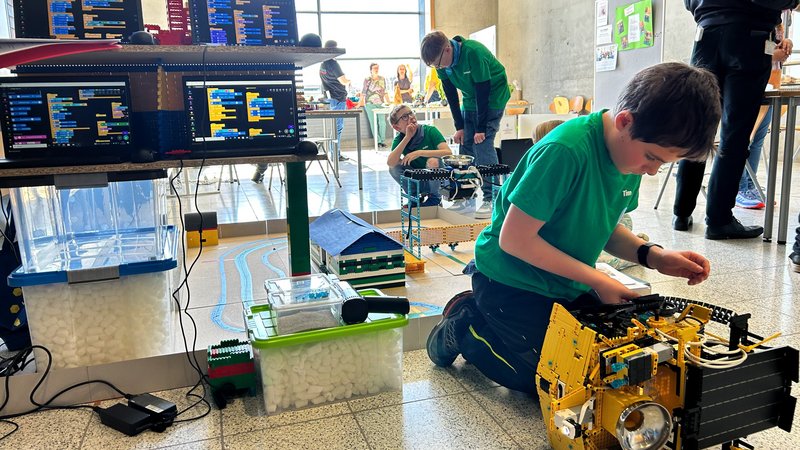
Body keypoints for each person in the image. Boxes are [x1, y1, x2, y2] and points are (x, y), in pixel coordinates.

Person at [425, 62, 721, 394]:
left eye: (663, 164)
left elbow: (604, 228)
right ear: (625, 122)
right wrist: (599, 279)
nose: (651, 171)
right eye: (652, 158)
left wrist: (652, 256)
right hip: (508, 279)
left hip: (563, 281)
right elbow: (514, 239)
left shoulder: (628, 159)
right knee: (542, 380)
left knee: (605, 359)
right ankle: (466, 323)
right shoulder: (565, 151)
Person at [672, 0, 798, 239]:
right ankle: (719, 220)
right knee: (735, 134)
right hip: (748, 39)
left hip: (705, 37)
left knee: (698, 130)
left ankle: (681, 213)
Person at [420, 31, 510, 219]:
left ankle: (492, 198)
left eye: (437, 63)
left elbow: (483, 91)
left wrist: (481, 128)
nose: (438, 67)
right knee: (465, 148)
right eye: (434, 66)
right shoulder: (441, 63)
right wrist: (459, 126)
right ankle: (465, 197)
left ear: (447, 49)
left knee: (482, 144)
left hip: (492, 98)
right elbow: (450, 94)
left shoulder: (473, 53)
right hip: (470, 99)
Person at [736, 30, 793, 209]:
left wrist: (786, 43)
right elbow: (743, 50)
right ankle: (740, 188)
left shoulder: (779, 19)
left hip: (771, 85)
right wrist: (771, 54)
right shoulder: (756, 14)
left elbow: (774, 43)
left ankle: (750, 185)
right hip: (750, 83)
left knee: (758, 140)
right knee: (744, 139)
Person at [386, 105, 452, 207]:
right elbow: (390, 163)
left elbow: (448, 152)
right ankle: (414, 197)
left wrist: (420, 152)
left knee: (433, 161)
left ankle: (435, 199)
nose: (411, 117)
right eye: (404, 117)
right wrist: (407, 137)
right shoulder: (400, 139)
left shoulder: (430, 131)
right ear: (397, 127)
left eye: (411, 113)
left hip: (438, 180)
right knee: (394, 167)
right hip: (418, 180)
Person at [319, 40, 351, 162]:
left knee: (335, 127)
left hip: (330, 98)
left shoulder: (322, 65)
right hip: (338, 97)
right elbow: (343, 81)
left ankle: (334, 153)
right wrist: (349, 81)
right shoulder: (333, 64)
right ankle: (335, 155)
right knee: (338, 128)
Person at [357, 63, 390, 148]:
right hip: (370, 104)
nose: (376, 69)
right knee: (373, 123)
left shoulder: (382, 79)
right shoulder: (367, 79)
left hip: (381, 104)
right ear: (371, 70)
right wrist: (359, 103)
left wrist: (389, 102)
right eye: (374, 68)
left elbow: (384, 91)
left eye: (377, 68)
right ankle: (378, 141)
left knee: (382, 123)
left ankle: (382, 141)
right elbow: (363, 92)